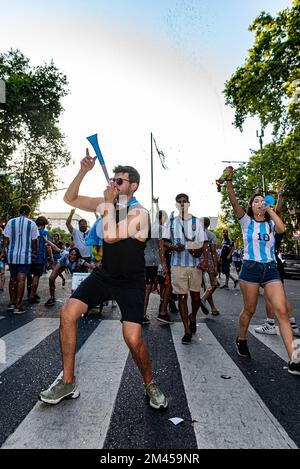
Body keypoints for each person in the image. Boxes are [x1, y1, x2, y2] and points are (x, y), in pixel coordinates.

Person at [39, 151, 168, 409]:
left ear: (133, 186)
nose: (114, 185)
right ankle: (67, 381)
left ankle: (150, 382)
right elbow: (70, 198)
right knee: (68, 313)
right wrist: (83, 171)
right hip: (105, 274)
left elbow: (110, 236)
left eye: (119, 181)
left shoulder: (140, 213)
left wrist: (107, 205)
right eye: (113, 180)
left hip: (131, 281)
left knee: (133, 339)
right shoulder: (108, 204)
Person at [225, 169, 300, 376]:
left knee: (282, 312)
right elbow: (233, 202)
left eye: (262, 200)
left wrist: (273, 205)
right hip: (250, 269)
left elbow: (282, 228)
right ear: (251, 206)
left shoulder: (270, 223)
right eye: (255, 201)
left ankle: (294, 359)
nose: (259, 203)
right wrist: (229, 181)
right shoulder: (245, 222)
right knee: (249, 310)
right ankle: (241, 338)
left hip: (270, 269)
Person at [254, 186, 300, 337]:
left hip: (271, 262)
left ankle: (270, 324)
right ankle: (292, 324)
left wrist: (279, 198)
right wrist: (279, 196)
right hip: (273, 262)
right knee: (280, 295)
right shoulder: (268, 224)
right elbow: (277, 211)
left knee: (270, 295)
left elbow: (277, 211)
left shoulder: (272, 225)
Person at [162, 193, 208, 344]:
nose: (182, 204)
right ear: (176, 205)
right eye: (179, 202)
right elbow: (164, 243)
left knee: (195, 297)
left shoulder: (197, 222)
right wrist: (174, 246)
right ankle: (186, 330)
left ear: (189, 203)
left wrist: (204, 259)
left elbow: (204, 243)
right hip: (177, 265)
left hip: (195, 265)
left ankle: (193, 315)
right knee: (182, 297)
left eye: (184, 201)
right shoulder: (172, 222)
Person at [1, 205, 39, 314]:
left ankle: (12, 303)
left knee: (12, 278)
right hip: (25, 255)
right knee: (21, 278)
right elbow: (34, 240)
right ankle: (18, 305)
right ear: (29, 213)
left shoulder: (11, 222)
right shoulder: (32, 224)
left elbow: (6, 238)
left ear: (19, 212)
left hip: (12, 255)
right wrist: (35, 252)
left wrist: (3, 251)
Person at [28, 216, 52, 304]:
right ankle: (32, 295)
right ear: (44, 224)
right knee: (36, 276)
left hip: (30, 257)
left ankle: (31, 292)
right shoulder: (45, 232)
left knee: (29, 275)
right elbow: (48, 246)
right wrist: (50, 258)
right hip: (40, 257)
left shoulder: (32, 231)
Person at [199, 217, 220, 316]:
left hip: (198, 262)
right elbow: (213, 252)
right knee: (214, 284)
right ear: (208, 224)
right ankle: (202, 299)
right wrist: (216, 266)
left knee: (208, 286)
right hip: (209, 262)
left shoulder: (196, 234)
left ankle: (213, 308)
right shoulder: (211, 235)